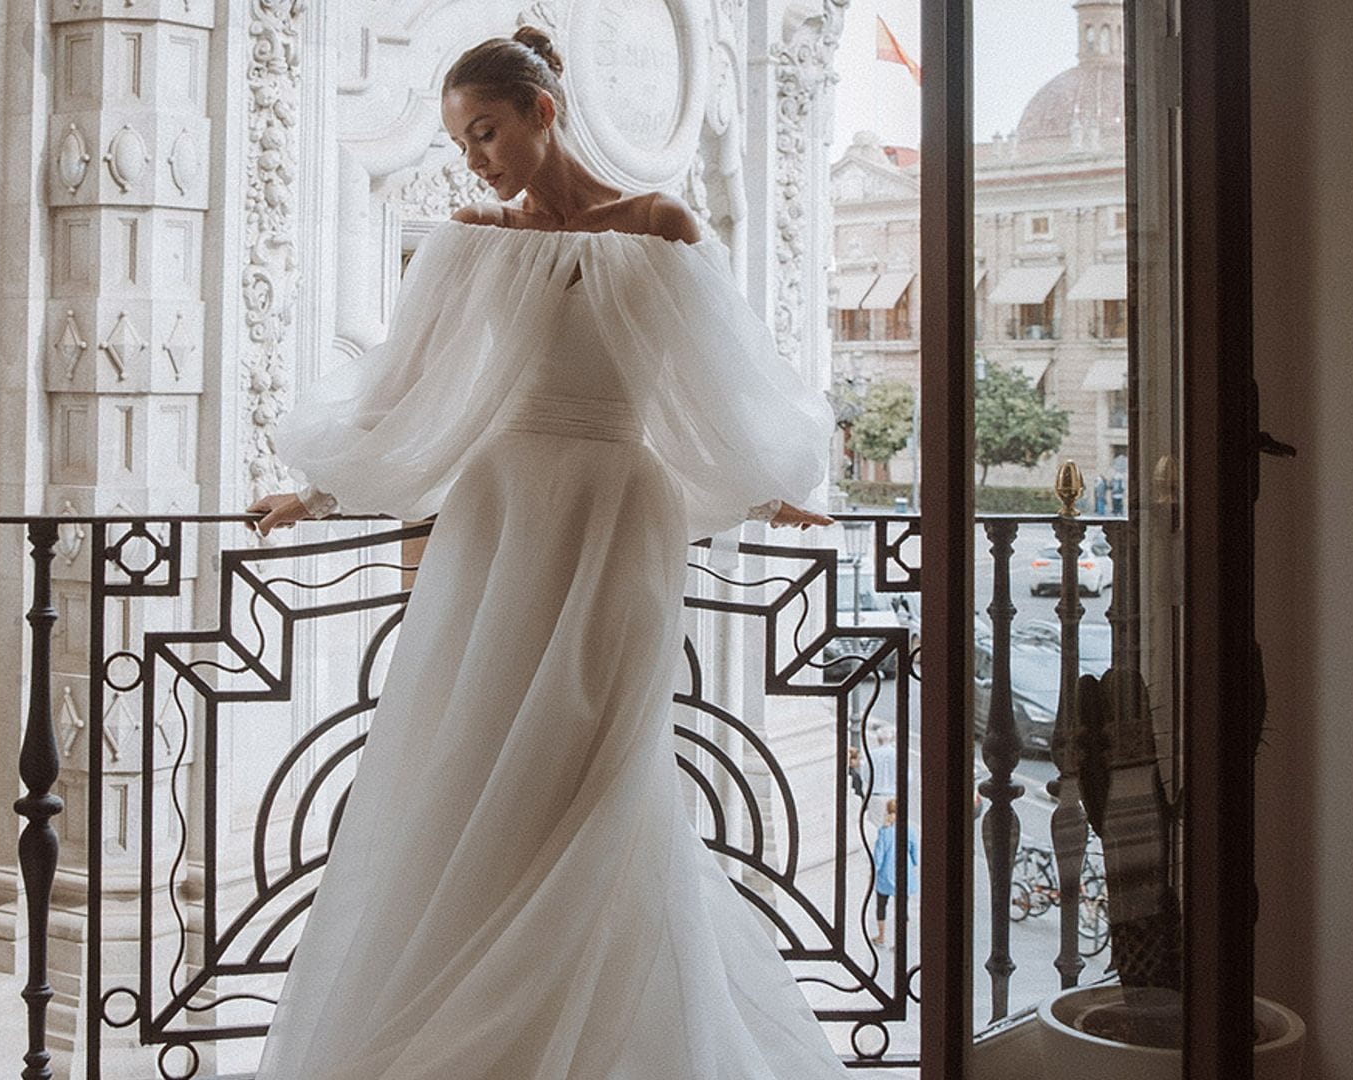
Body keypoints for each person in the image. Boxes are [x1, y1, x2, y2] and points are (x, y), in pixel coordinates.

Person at [248, 26, 846, 1080]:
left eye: (485, 131)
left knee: (603, 761)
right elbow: (400, 391)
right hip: (501, 514)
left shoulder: (659, 228)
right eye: (460, 141)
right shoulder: (473, 242)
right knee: (479, 748)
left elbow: (716, 377)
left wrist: (771, 486)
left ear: (542, 112)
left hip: (620, 513)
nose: (474, 158)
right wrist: (319, 489)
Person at [867, 798, 917, 947]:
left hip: (886, 875)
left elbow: (879, 856)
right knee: (902, 909)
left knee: (881, 906)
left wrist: (874, 871)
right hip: (904, 873)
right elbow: (914, 851)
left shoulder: (884, 831)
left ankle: (881, 936)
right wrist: (913, 863)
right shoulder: (909, 830)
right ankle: (899, 941)